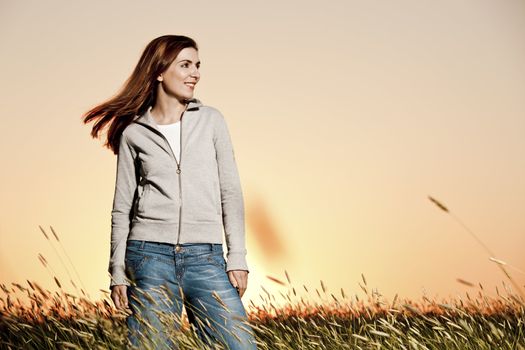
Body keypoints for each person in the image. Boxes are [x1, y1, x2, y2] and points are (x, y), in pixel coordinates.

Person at [83, 34, 258, 349]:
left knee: (240, 345)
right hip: (149, 258)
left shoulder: (212, 121)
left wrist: (238, 257)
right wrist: (118, 273)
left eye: (198, 65)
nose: (196, 73)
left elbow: (230, 192)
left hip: (206, 258)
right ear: (160, 72)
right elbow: (122, 209)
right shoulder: (134, 133)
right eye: (186, 64)